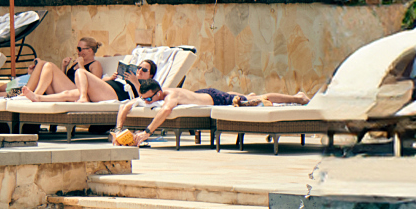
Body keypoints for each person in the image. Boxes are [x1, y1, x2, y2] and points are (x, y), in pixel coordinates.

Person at [113, 59, 308, 134]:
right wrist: (118, 130)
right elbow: (126, 105)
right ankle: (248, 96)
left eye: (149, 99)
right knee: (245, 96)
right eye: (145, 100)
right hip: (202, 94)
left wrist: (146, 132)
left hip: (216, 98)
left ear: (157, 93)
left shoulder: (170, 96)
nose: (147, 102)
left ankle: (298, 98)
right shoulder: (154, 94)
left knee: (257, 99)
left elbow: (165, 111)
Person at [19, 37, 127, 102]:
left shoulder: (95, 64)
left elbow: (94, 84)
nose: (78, 52)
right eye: (77, 48)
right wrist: (64, 67)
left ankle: (36, 94)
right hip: (66, 88)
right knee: (42, 63)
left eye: (80, 49)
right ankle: (28, 93)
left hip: (76, 90)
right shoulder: (76, 62)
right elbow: (65, 79)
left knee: (49, 65)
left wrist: (81, 66)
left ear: (89, 50)